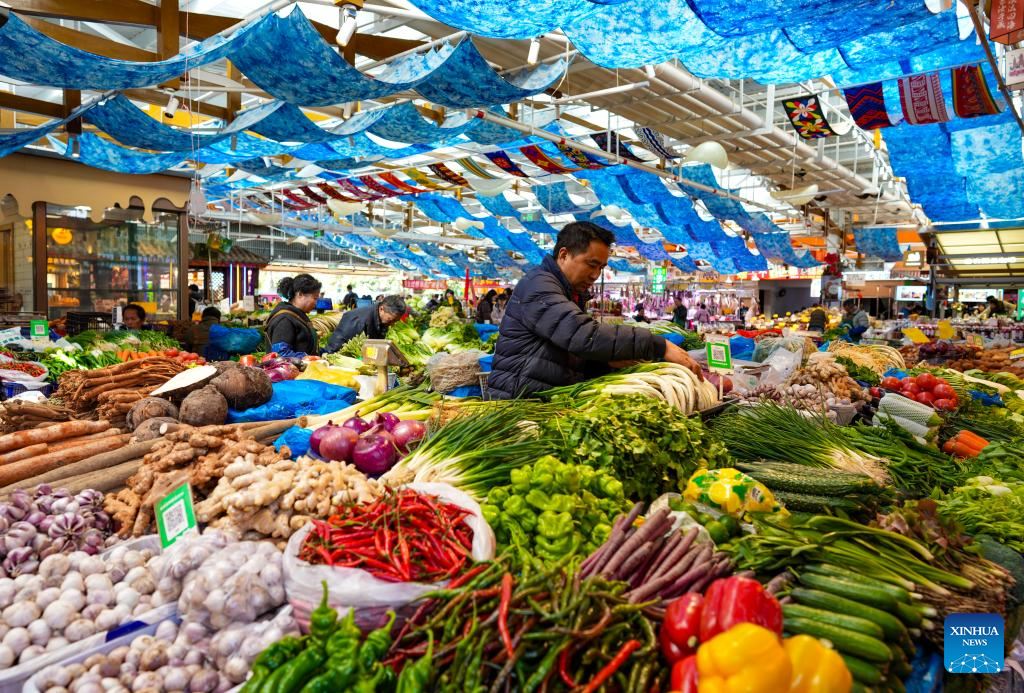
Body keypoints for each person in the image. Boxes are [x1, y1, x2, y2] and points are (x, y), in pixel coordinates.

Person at [487, 221, 703, 399]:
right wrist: (657, 344)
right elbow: (582, 335)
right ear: (563, 255)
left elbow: (561, 353)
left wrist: (604, 363)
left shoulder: (568, 293)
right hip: (517, 403)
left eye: (601, 267)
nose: (595, 274)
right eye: (591, 264)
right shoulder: (539, 285)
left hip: (540, 400)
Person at [324, 295, 408, 353]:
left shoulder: (380, 318)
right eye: (391, 320)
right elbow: (336, 347)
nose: (392, 324)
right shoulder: (359, 321)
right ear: (381, 309)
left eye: (395, 321)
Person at [265, 274, 322, 355]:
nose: (316, 303)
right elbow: (280, 353)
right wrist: (309, 359)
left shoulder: (298, 315)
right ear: (300, 294)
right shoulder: (285, 319)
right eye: (315, 298)